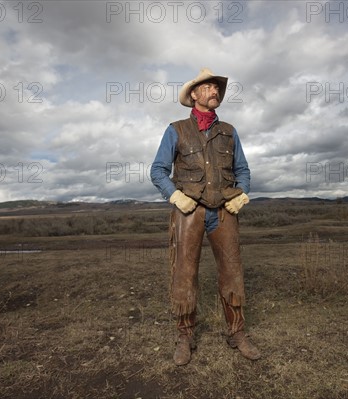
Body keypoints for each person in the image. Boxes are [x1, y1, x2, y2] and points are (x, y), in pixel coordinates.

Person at [150, 68, 261, 366]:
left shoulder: (229, 131)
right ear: (194, 95)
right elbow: (157, 171)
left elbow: (243, 170)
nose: (215, 91)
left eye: (217, 88)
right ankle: (185, 338)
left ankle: (237, 334)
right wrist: (175, 196)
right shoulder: (176, 130)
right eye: (209, 87)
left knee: (232, 272)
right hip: (189, 213)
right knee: (184, 275)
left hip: (224, 212)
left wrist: (243, 193)